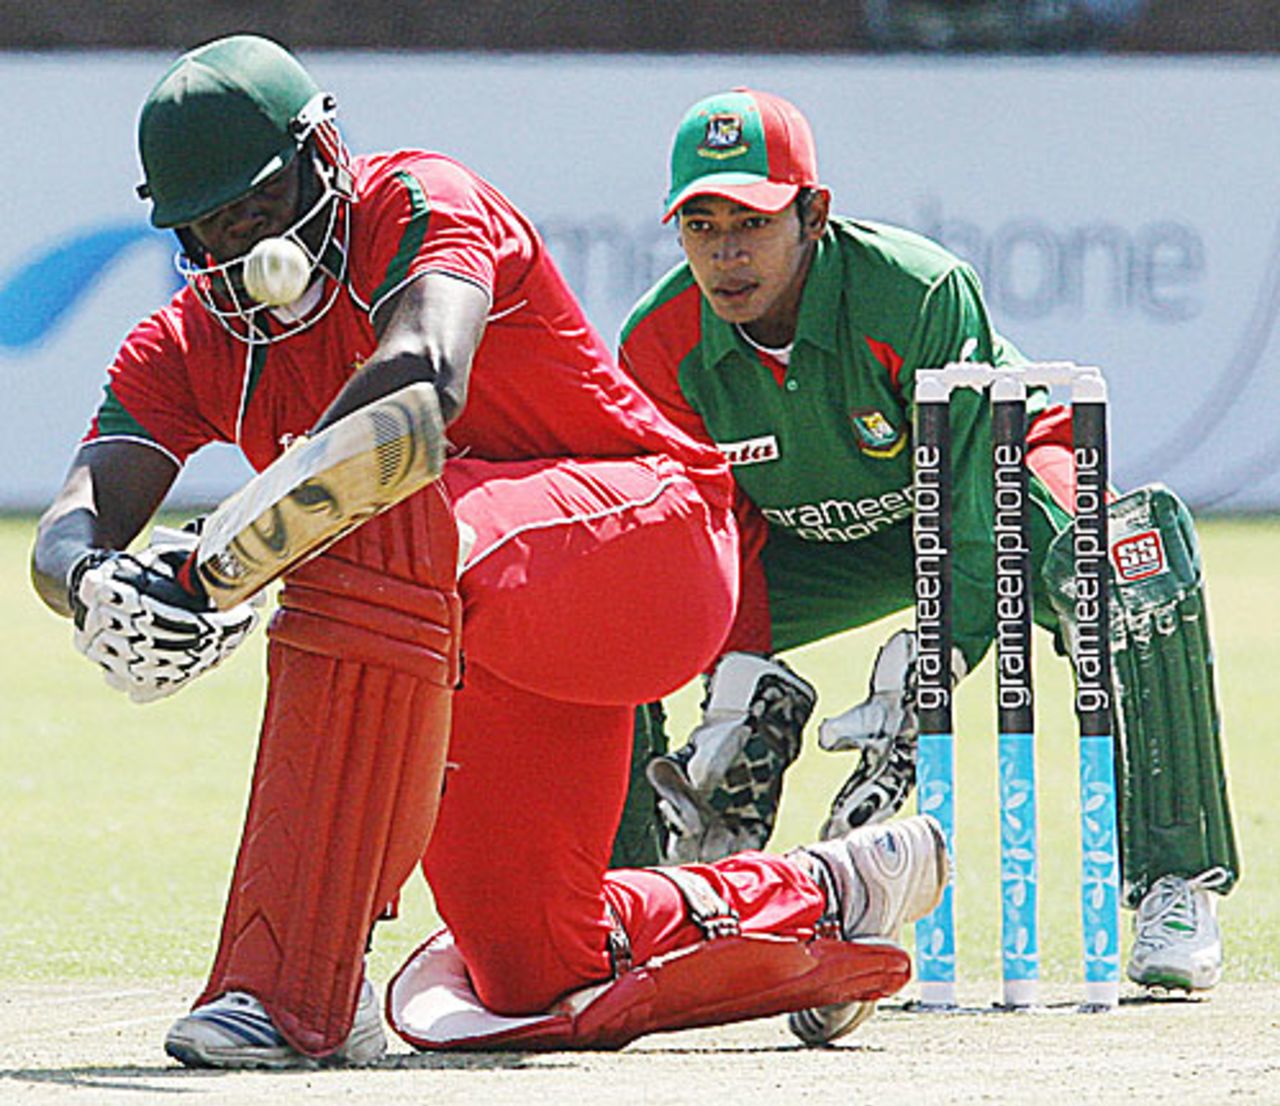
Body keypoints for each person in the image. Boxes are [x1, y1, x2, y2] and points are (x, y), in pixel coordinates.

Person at [30, 38, 952, 1066]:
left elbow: (419, 388)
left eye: (256, 204)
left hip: (646, 546)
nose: (240, 243)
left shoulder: (420, 203)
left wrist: (214, 557)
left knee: (366, 505)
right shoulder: (189, 341)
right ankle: (830, 893)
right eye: (206, 226)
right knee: (533, 967)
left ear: (323, 151)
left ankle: (285, 985)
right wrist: (97, 579)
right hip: (475, 631)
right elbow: (76, 512)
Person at [620, 87, 1240, 1009]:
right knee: (607, 599)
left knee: (1125, 561)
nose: (726, 252)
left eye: (751, 220)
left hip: (991, 476)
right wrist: (738, 684)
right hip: (813, 535)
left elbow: (972, 496)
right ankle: (630, 903)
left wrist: (936, 658)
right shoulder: (659, 343)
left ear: (813, 212)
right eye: (702, 225)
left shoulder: (912, 292)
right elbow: (706, 529)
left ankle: (1175, 889)